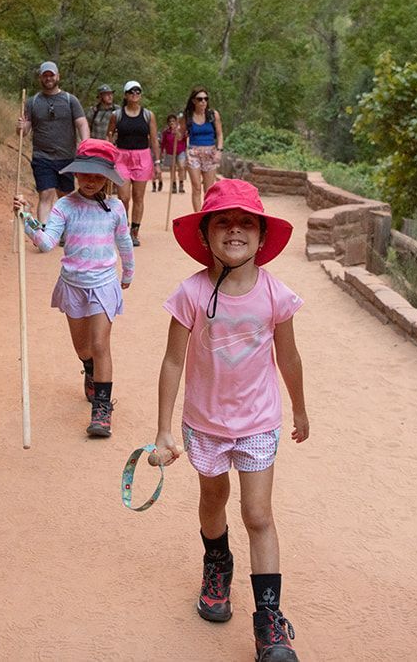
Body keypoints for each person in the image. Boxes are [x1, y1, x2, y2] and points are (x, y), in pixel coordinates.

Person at [150, 179, 309, 662]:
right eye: (223, 221)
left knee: (258, 514)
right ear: (206, 235)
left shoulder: (276, 295)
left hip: (259, 421)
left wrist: (300, 408)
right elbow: (173, 361)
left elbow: (290, 358)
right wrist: (163, 428)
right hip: (205, 423)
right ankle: (217, 562)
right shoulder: (191, 293)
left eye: (246, 223)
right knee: (213, 500)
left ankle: (268, 622)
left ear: (262, 237)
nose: (235, 230)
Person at [13, 138, 135, 437]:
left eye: (97, 175)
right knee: (83, 348)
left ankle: (102, 410)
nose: (90, 181)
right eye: (85, 174)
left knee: (100, 345)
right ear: (76, 173)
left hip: (103, 283)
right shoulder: (64, 206)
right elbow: (46, 243)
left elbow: (124, 242)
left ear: (107, 177)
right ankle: (89, 369)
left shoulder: (116, 208)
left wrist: (128, 271)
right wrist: (26, 219)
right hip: (73, 285)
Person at [16, 61, 89, 215]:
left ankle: (66, 235)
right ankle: (44, 237)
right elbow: (24, 132)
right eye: (45, 75)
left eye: (51, 75)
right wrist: (20, 126)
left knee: (66, 197)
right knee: (46, 194)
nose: (48, 78)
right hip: (42, 157)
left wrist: (85, 146)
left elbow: (82, 124)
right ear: (40, 78)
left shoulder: (70, 100)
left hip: (67, 157)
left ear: (58, 76)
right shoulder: (32, 102)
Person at [107, 80, 159, 246]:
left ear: (141, 95)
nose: (134, 95)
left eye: (137, 92)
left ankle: (134, 232)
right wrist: (108, 154)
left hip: (142, 157)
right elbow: (109, 135)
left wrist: (157, 161)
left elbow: (154, 140)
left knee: (138, 197)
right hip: (122, 157)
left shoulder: (148, 115)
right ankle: (123, 227)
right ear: (125, 95)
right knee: (123, 196)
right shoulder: (117, 115)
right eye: (131, 92)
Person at [183, 87, 225, 212]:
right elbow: (181, 135)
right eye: (200, 99)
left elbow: (220, 134)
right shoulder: (187, 116)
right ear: (193, 101)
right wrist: (178, 133)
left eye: (205, 99)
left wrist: (219, 150)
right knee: (196, 187)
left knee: (209, 189)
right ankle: (197, 215)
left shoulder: (213, 115)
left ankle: (207, 214)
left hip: (210, 152)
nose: (203, 102)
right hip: (193, 152)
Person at [160, 113, 188, 194]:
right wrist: (161, 152)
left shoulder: (181, 131)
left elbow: (184, 140)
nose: (172, 123)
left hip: (180, 151)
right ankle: (174, 185)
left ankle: (181, 184)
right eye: (170, 121)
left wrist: (177, 132)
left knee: (181, 167)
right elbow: (163, 143)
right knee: (172, 169)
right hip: (170, 152)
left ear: (176, 122)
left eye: (173, 121)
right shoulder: (166, 132)